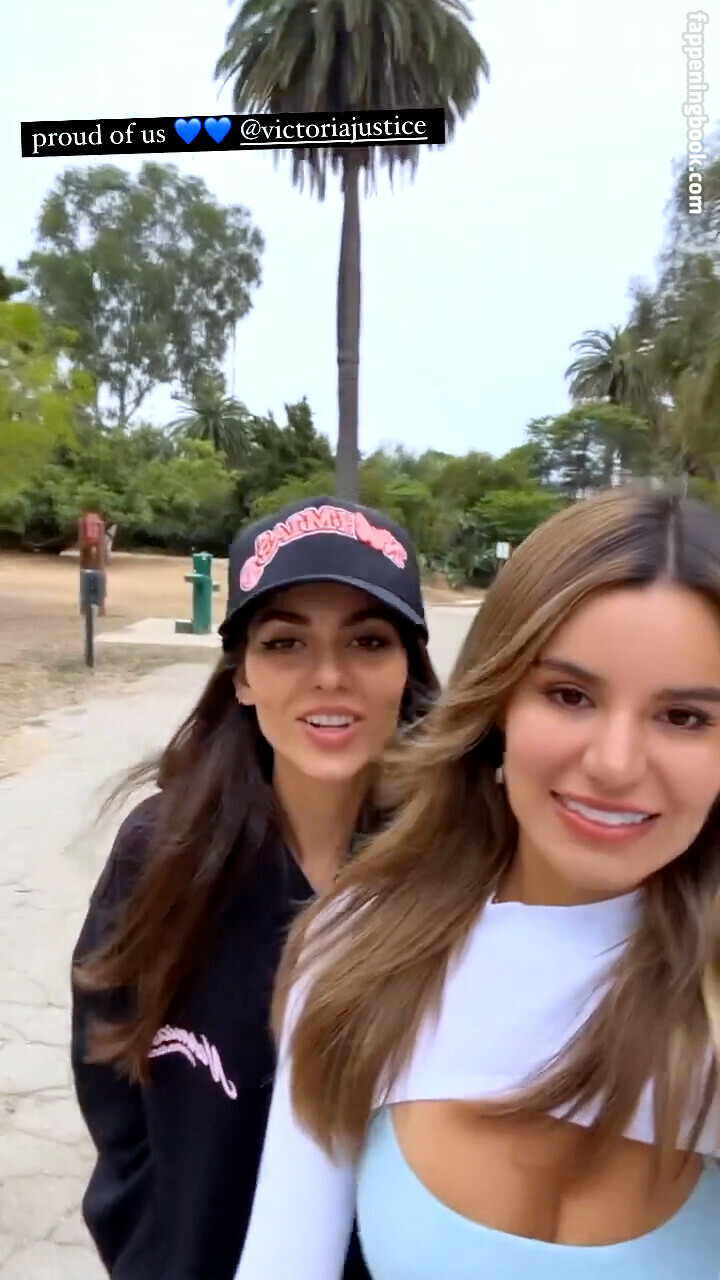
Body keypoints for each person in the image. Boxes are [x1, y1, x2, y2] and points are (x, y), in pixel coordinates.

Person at [236, 487, 720, 1280]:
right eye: (570, 696)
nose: (615, 764)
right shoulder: (360, 944)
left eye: (685, 718)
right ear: (497, 706)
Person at [70, 496, 439, 1280]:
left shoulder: (457, 871)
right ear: (241, 676)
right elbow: (111, 1078)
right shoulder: (162, 855)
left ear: (407, 669)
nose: (329, 677)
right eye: (286, 643)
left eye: (368, 641)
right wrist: (151, 1247)